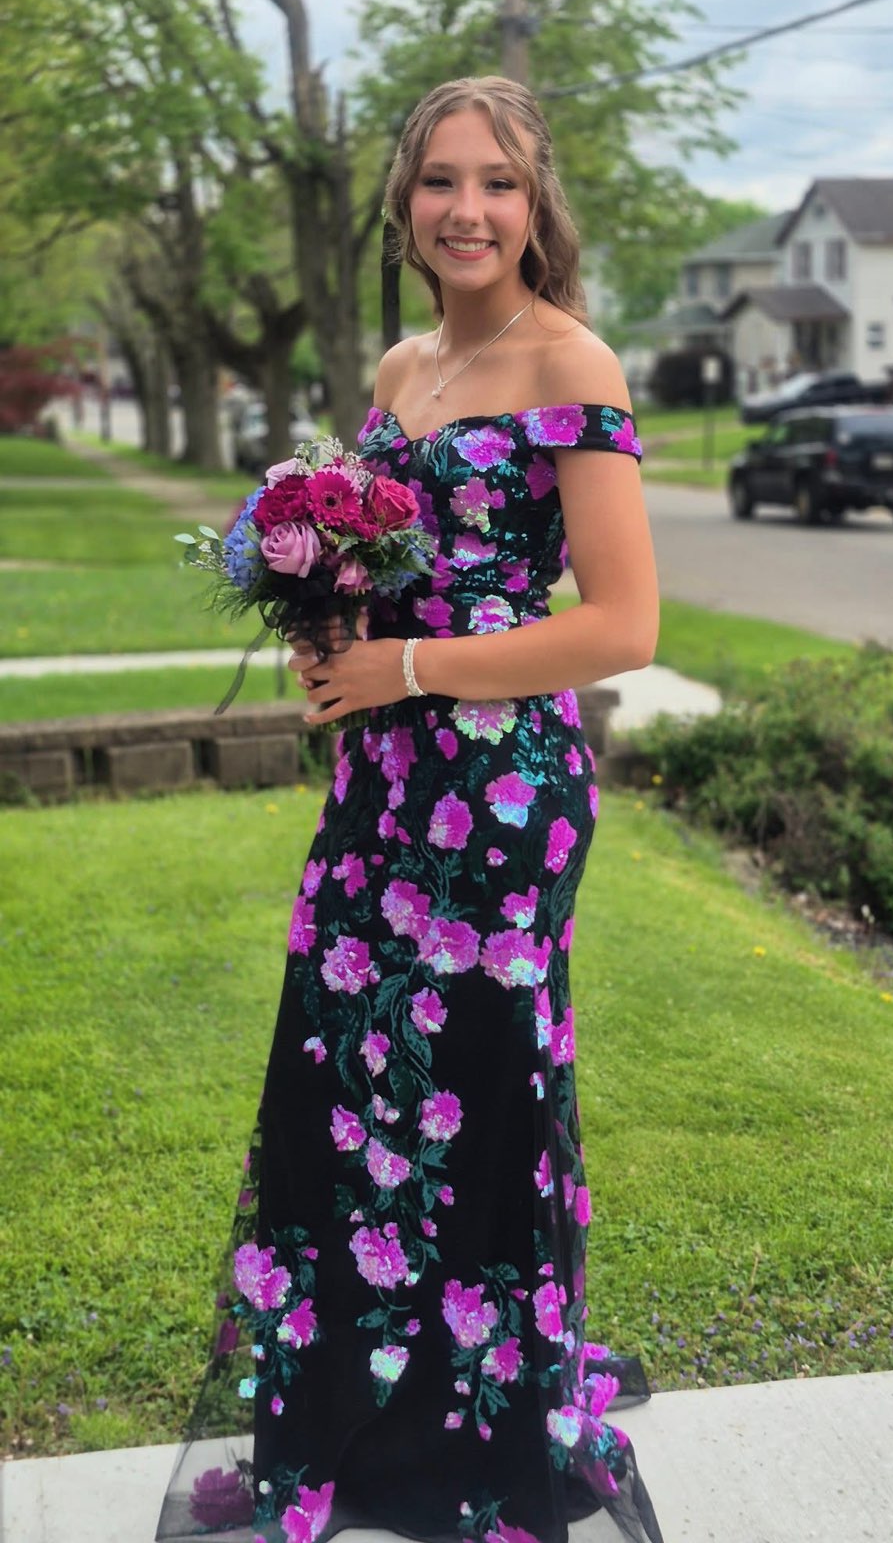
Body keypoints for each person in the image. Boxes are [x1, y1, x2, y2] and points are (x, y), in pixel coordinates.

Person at [156, 75, 663, 1543]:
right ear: (404, 198)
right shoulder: (396, 373)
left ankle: (479, 1436)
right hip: (383, 775)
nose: (467, 209)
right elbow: (380, 563)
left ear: (533, 201)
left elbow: (622, 624)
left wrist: (409, 663)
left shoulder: (575, 362)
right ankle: (345, 1421)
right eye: (441, 180)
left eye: (496, 182)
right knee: (341, 1082)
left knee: (480, 1097)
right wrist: (327, 627)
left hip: (501, 800)